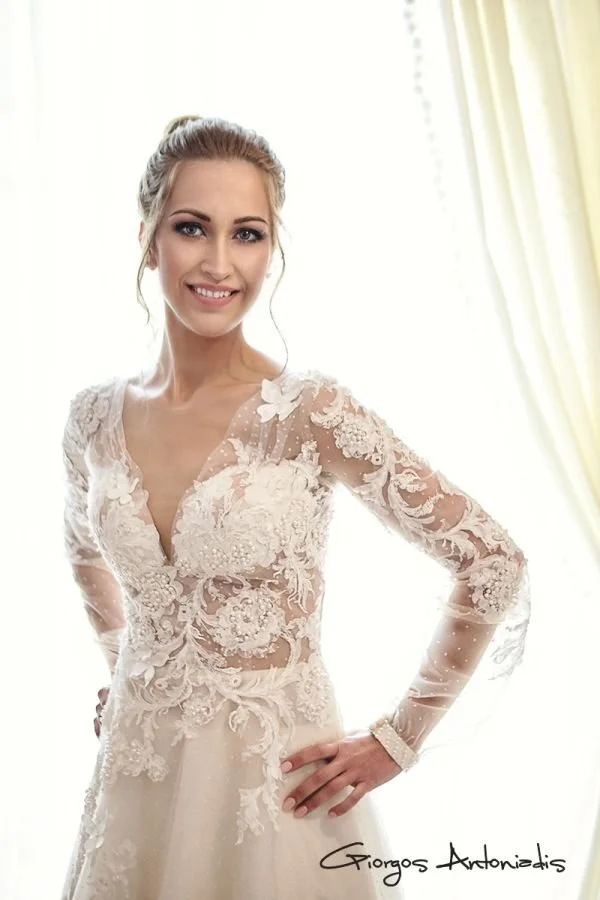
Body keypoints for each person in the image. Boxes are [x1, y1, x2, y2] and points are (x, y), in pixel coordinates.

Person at [60, 115, 530, 900]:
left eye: (247, 233)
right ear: (147, 239)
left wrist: (397, 741)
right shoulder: (92, 419)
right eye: (190, 228)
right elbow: (82, 550)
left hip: (273, 798)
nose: (218, 262)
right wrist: (131, 662)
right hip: (135, 788)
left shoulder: (306, 412)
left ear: (272, 251)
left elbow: (492, 562)